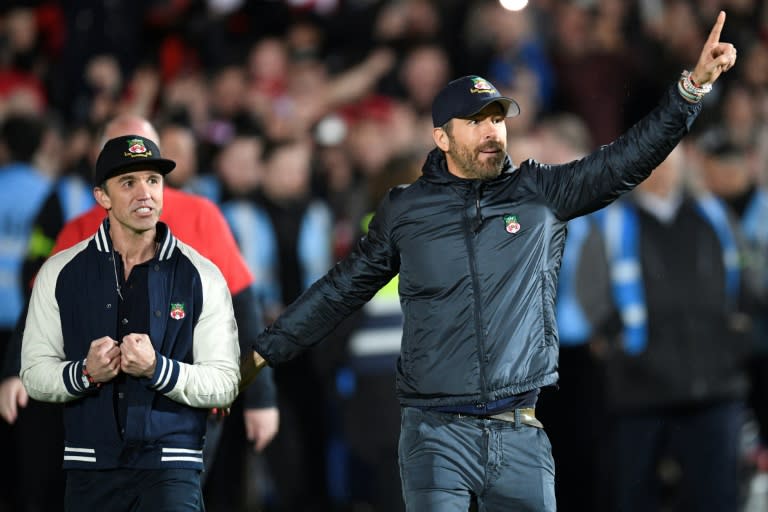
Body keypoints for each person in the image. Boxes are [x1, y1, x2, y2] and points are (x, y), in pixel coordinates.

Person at [241, 12, 737, 511]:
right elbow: (340, 289)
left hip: (519, 432)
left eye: (498, 119)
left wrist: (690, 90)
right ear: (441, 138)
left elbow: (629, 159)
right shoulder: (405, 210)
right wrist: (263, 352)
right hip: (434, 436)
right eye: (475, 121)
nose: (492, 132)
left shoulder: (541, 191)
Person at [0, 114, 279, 511]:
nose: (142, 190)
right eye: (126, 177)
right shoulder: (77, 232)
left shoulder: (202, 216)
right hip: (99, 439)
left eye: (150, 175)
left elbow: (243, 306)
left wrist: (261, 397)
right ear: (104, 187)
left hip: (183, 422)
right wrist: (16, 369)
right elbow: (41, 307)